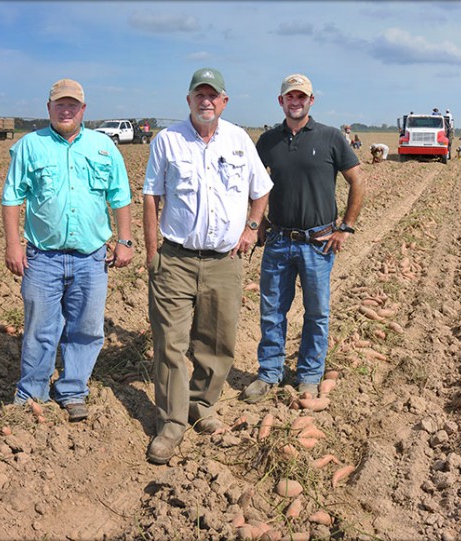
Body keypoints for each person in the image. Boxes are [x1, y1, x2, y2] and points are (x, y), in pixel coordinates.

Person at [142, 68, 272, 465]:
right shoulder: (167, 141)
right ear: (189, 101)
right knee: (171, 343)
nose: (206, 102)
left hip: (224, 262)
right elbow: (151, 197)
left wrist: (251, 229)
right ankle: (172, 422)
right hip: (176, 258)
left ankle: (202, 405)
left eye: (213, 95)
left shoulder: (238, 141)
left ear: (224, 101)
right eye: (199, 95)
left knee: (218, 341)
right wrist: (152, 253)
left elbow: (261, 191)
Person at [1, 78, 132, 423]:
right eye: (60, 104)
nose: (66, 110)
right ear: (49, 108)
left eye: (73, 104)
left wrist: (125, 239)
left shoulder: (104, 147)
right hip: (42, 257)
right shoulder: (30, 145)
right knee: (40, 329)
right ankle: (32, 392)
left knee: (86, 329)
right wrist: (13, 243)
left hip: (91, 257)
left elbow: (119, 196)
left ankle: (73, 390)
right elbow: (13, 196)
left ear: (83, 110)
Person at [242, 73, 363, 404]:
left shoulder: (330, 138)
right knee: (271, 309)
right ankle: (269, 374)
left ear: (311, 101)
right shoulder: (267, 141)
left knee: (317, 312)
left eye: (302, 97)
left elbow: (357, 181)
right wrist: (258, 221)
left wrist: (345, 227)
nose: (296, 102)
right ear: (281, 102)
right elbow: (250, 183)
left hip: (318, 241)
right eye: (290, 97)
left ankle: (309, 375)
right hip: (279, 240)